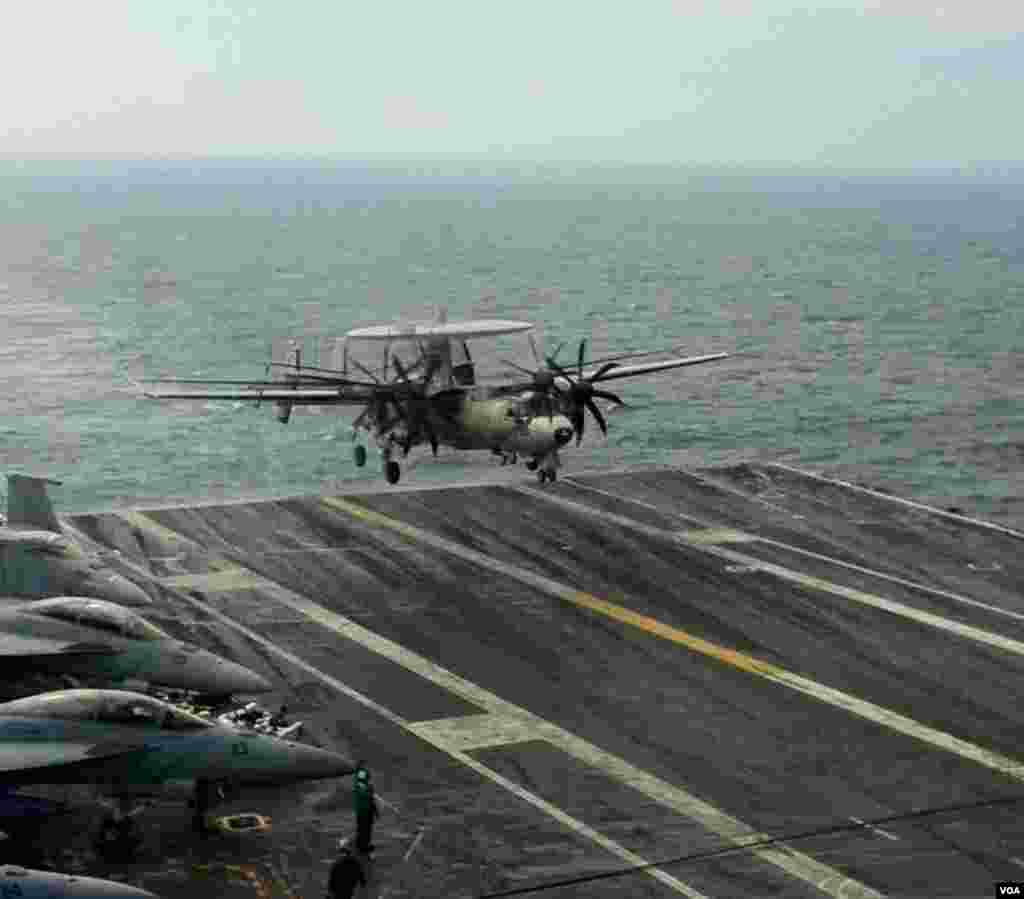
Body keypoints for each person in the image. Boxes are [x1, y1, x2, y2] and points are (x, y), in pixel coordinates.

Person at [352, 761, 378, 854]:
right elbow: (364, 795)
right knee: (363, 828)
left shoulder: (366, 784)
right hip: (363, 810)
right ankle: (361, 846)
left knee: (367, 829)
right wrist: (369, 791)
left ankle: (366, 844)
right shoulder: (359, 784)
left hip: (368, 810)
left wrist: (375, 810)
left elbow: (371, 798)